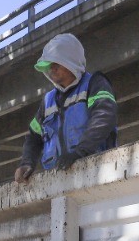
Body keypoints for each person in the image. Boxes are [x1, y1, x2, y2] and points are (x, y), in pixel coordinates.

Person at [14, 33, 117, 183]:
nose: (51, 69)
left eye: (56, 64)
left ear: (71, 62)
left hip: (98, 173)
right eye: (48, 66)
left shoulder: (94, 83)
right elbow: (33, 137)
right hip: (60, 180)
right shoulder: (48, 100)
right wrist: (26, 162)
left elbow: (105, 115)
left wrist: (80, 152)